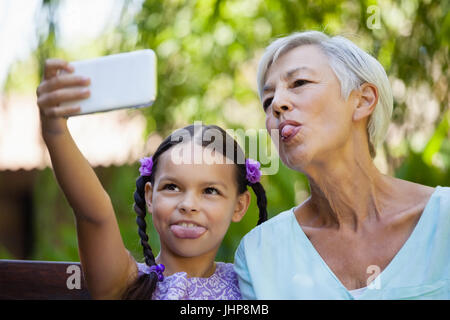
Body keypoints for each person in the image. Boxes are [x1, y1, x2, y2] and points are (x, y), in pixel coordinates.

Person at [234, 31, 450, 299]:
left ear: (363, 101)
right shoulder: (259, 253)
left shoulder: (444, 219)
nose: (277, 104)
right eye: (267, 101)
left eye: (299, 82)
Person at [36, 59, 267, 300]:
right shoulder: (124, 282)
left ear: (239, 206)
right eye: (172, 187)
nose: (188, 204)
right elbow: (94, 214)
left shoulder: (256, 286)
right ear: (150, 196)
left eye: (210, 191)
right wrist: (55, 131)